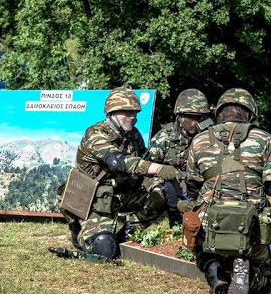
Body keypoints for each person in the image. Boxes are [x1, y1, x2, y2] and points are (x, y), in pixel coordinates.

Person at [185, 88, 271, 294]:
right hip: (251, 218)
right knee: (265, 267)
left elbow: (193, 186)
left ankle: (214, 269)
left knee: (201, 245)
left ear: (219, 113)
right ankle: (250, 274)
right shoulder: (264, 138)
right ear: (250, 114)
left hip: (209, 218)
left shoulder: (200, 139)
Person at [54, 87, 180, 261]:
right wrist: (158, 168)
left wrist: (156, 186)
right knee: (103, 247)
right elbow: (118, 162)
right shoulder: (96, 134)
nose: (134, 118)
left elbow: (142, 166)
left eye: (135, 113)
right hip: (92, 200)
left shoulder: (133, 135)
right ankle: (81, 230)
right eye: (128, 113)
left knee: (163, 193)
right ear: (113, 112)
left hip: (121, 193)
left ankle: (129, 230)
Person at [145, 88, 212, 227]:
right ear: (180, 116)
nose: (196, 122)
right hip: (174, 193)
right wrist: (160, 191)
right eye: (191, 117)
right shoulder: (165, 137)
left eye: (200, 117)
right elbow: (147, 169)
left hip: (204, 192)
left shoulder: (210, 137)